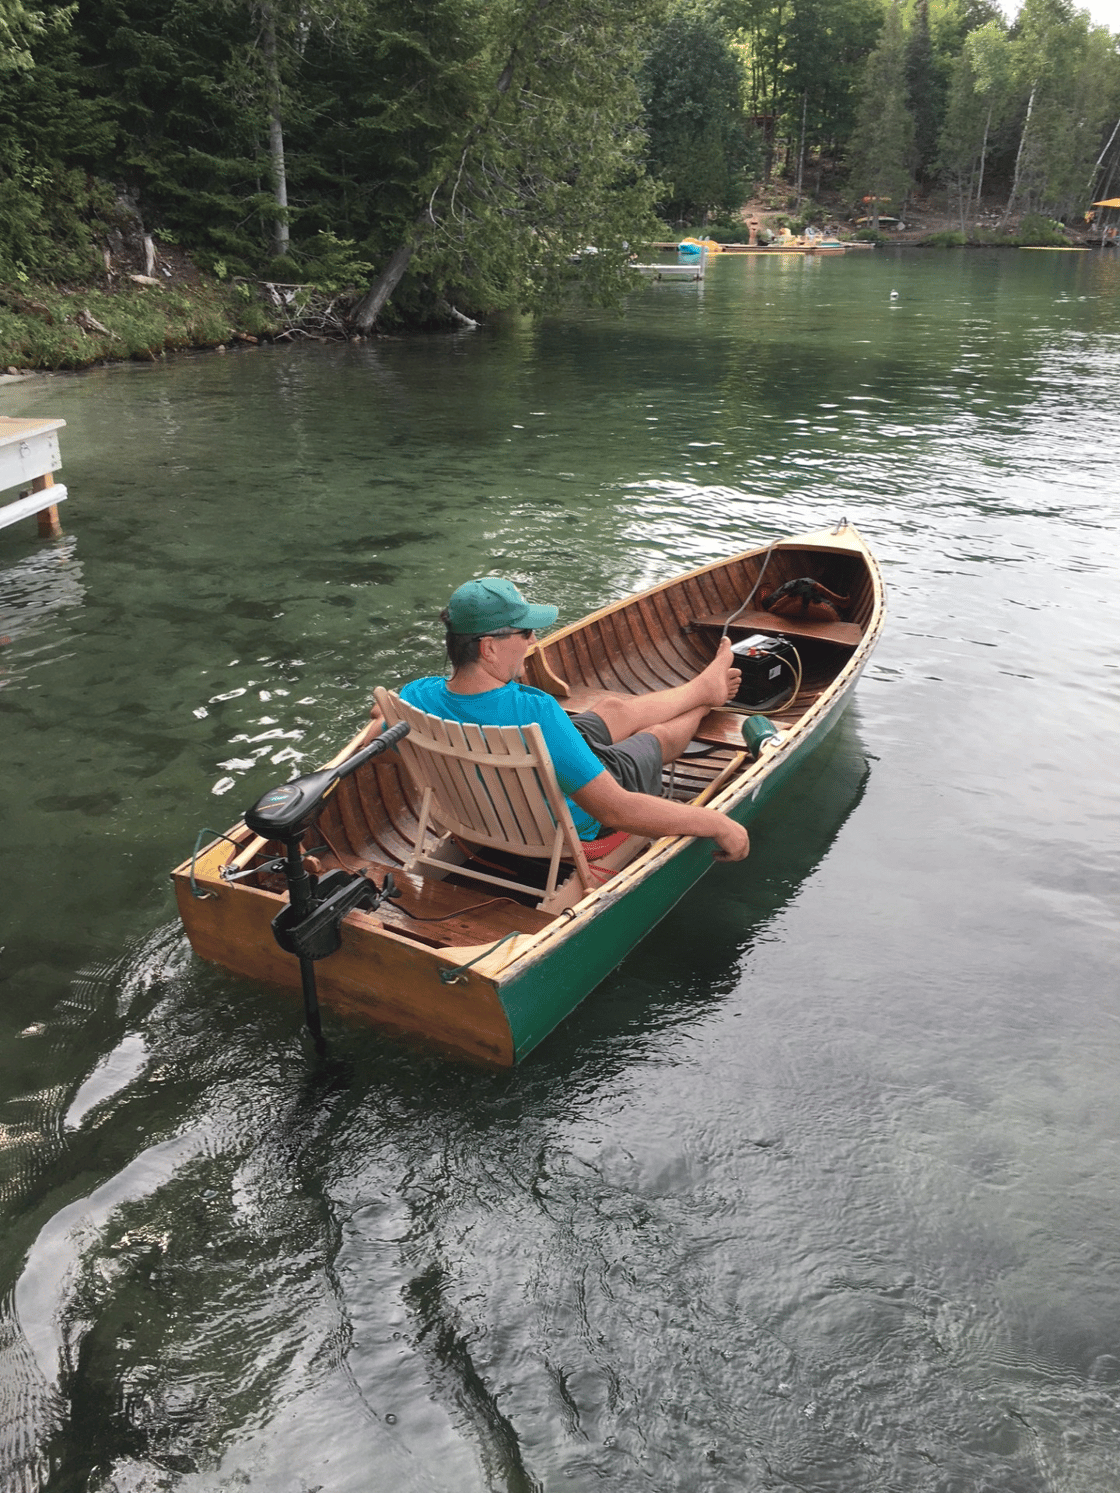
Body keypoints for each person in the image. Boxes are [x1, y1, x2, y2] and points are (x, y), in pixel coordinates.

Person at [368, 576, 749, 862]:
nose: (533, 641)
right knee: (655, 737)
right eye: (525, 632)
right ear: (488, 648)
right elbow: (616, 809)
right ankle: (703, 705)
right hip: (563, 832)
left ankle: (703, 690)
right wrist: (718, 822)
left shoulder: (417, 697)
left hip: (487, 812)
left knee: (613, 711)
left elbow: (375, 743)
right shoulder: (534, 712)